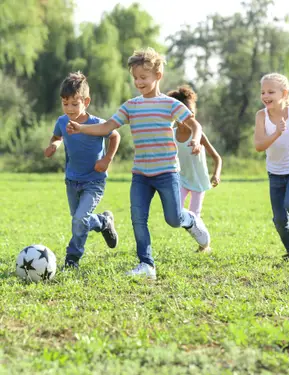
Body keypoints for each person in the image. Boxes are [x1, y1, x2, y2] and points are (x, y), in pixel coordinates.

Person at [66, 47, 210, 279]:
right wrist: (81, 127)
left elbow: (195, 125)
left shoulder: (170, 104)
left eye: (143, 77)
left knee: (173, 219)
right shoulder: (131, 106)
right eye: (135, 78)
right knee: (138, 219)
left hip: (166, 172)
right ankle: (146, 265)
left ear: (158, 76)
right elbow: (107, 127)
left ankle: (190, 220)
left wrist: (195, 139)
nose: (138, 82)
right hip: (141, 174)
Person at [44, 71, 120, 269]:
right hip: (72, 180)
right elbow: (57, 137)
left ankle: (72, 258)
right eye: (65, 103)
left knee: (79, 219)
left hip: (94, 181)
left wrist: (107, 159)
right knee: (80, 219)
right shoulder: (62, 122)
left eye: (74, 104)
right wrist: (54, 145)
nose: (69, 108)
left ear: (86, 102)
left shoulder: (96, 124)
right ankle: (103, 222)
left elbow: (115, 136)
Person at [254, 72, 289, 260]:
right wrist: (277, 133)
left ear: (284, 93)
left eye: (271, 92)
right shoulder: (261, 116)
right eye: (263, 92)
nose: (265, 96)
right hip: (274, 173)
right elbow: (258, 146)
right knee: (279, 220)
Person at [167, 85, 222, 219]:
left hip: (198, 180)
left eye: (191, 112)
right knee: (175, 211)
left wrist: (216, 174)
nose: (189, 116)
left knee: (195, 215)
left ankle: (200, 234)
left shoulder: (199, 135)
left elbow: (217, 158)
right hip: (181, 179)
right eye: (184, 113)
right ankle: (188, 222)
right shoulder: (171, 134)